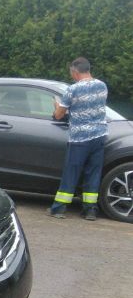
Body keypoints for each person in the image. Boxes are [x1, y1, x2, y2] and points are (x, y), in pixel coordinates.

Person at [49, 57, 108, 220]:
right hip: (99, 135)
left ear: (75, 72)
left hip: (80, 138)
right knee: (93, 173)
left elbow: (60, 115)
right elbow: (92, 107)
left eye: (72, 73)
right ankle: (90, 210)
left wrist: (56, 107)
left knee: (71, 172)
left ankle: (59, 208)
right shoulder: (102, 85)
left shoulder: (72, 89)